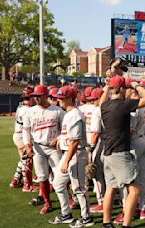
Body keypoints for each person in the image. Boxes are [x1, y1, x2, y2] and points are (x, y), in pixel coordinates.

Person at [99, 75, 145, 228]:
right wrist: (136, 85)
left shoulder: (105, 105)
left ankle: (106, 223)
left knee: (111, 188)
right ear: (123, 89)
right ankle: (126, 225)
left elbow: (102, 100)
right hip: (119, 152)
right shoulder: (123, 104)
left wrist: (107, 87)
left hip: (107, 151)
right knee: (136, 189)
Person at [49, 86, 94, 227]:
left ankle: (86, 217)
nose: (59, 100)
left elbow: (75, 142)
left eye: (62, 97)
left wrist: (66, 162)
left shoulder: (74, 114)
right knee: (58, 184)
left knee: (78, 188)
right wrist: (59, 139)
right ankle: (66, 213)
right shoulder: (69, 113)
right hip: (69, 153)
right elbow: (69, 136)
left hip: (75, 153)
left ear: (70, 98)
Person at [22, 85, 65, 214]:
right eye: (34, 96)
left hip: (53, 148)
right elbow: (26, 130)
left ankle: (69, 198)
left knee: (61, 175)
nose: (36, 98)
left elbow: (65, 129)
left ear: (46, 96)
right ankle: (47, 203)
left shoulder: (57, 111)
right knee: (42, 177)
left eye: (39, 96)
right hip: (38, 147)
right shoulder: (30, 111)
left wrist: (60, 138)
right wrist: (27, 145)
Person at [9, 87, 37, 192]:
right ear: (30, 97)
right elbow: (28, 127)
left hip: (18, 134)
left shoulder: (21, 107)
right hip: (22, 136)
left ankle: (16, 180)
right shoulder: (28, 110)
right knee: (27, 160)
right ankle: (27, 185)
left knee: (23, 159)